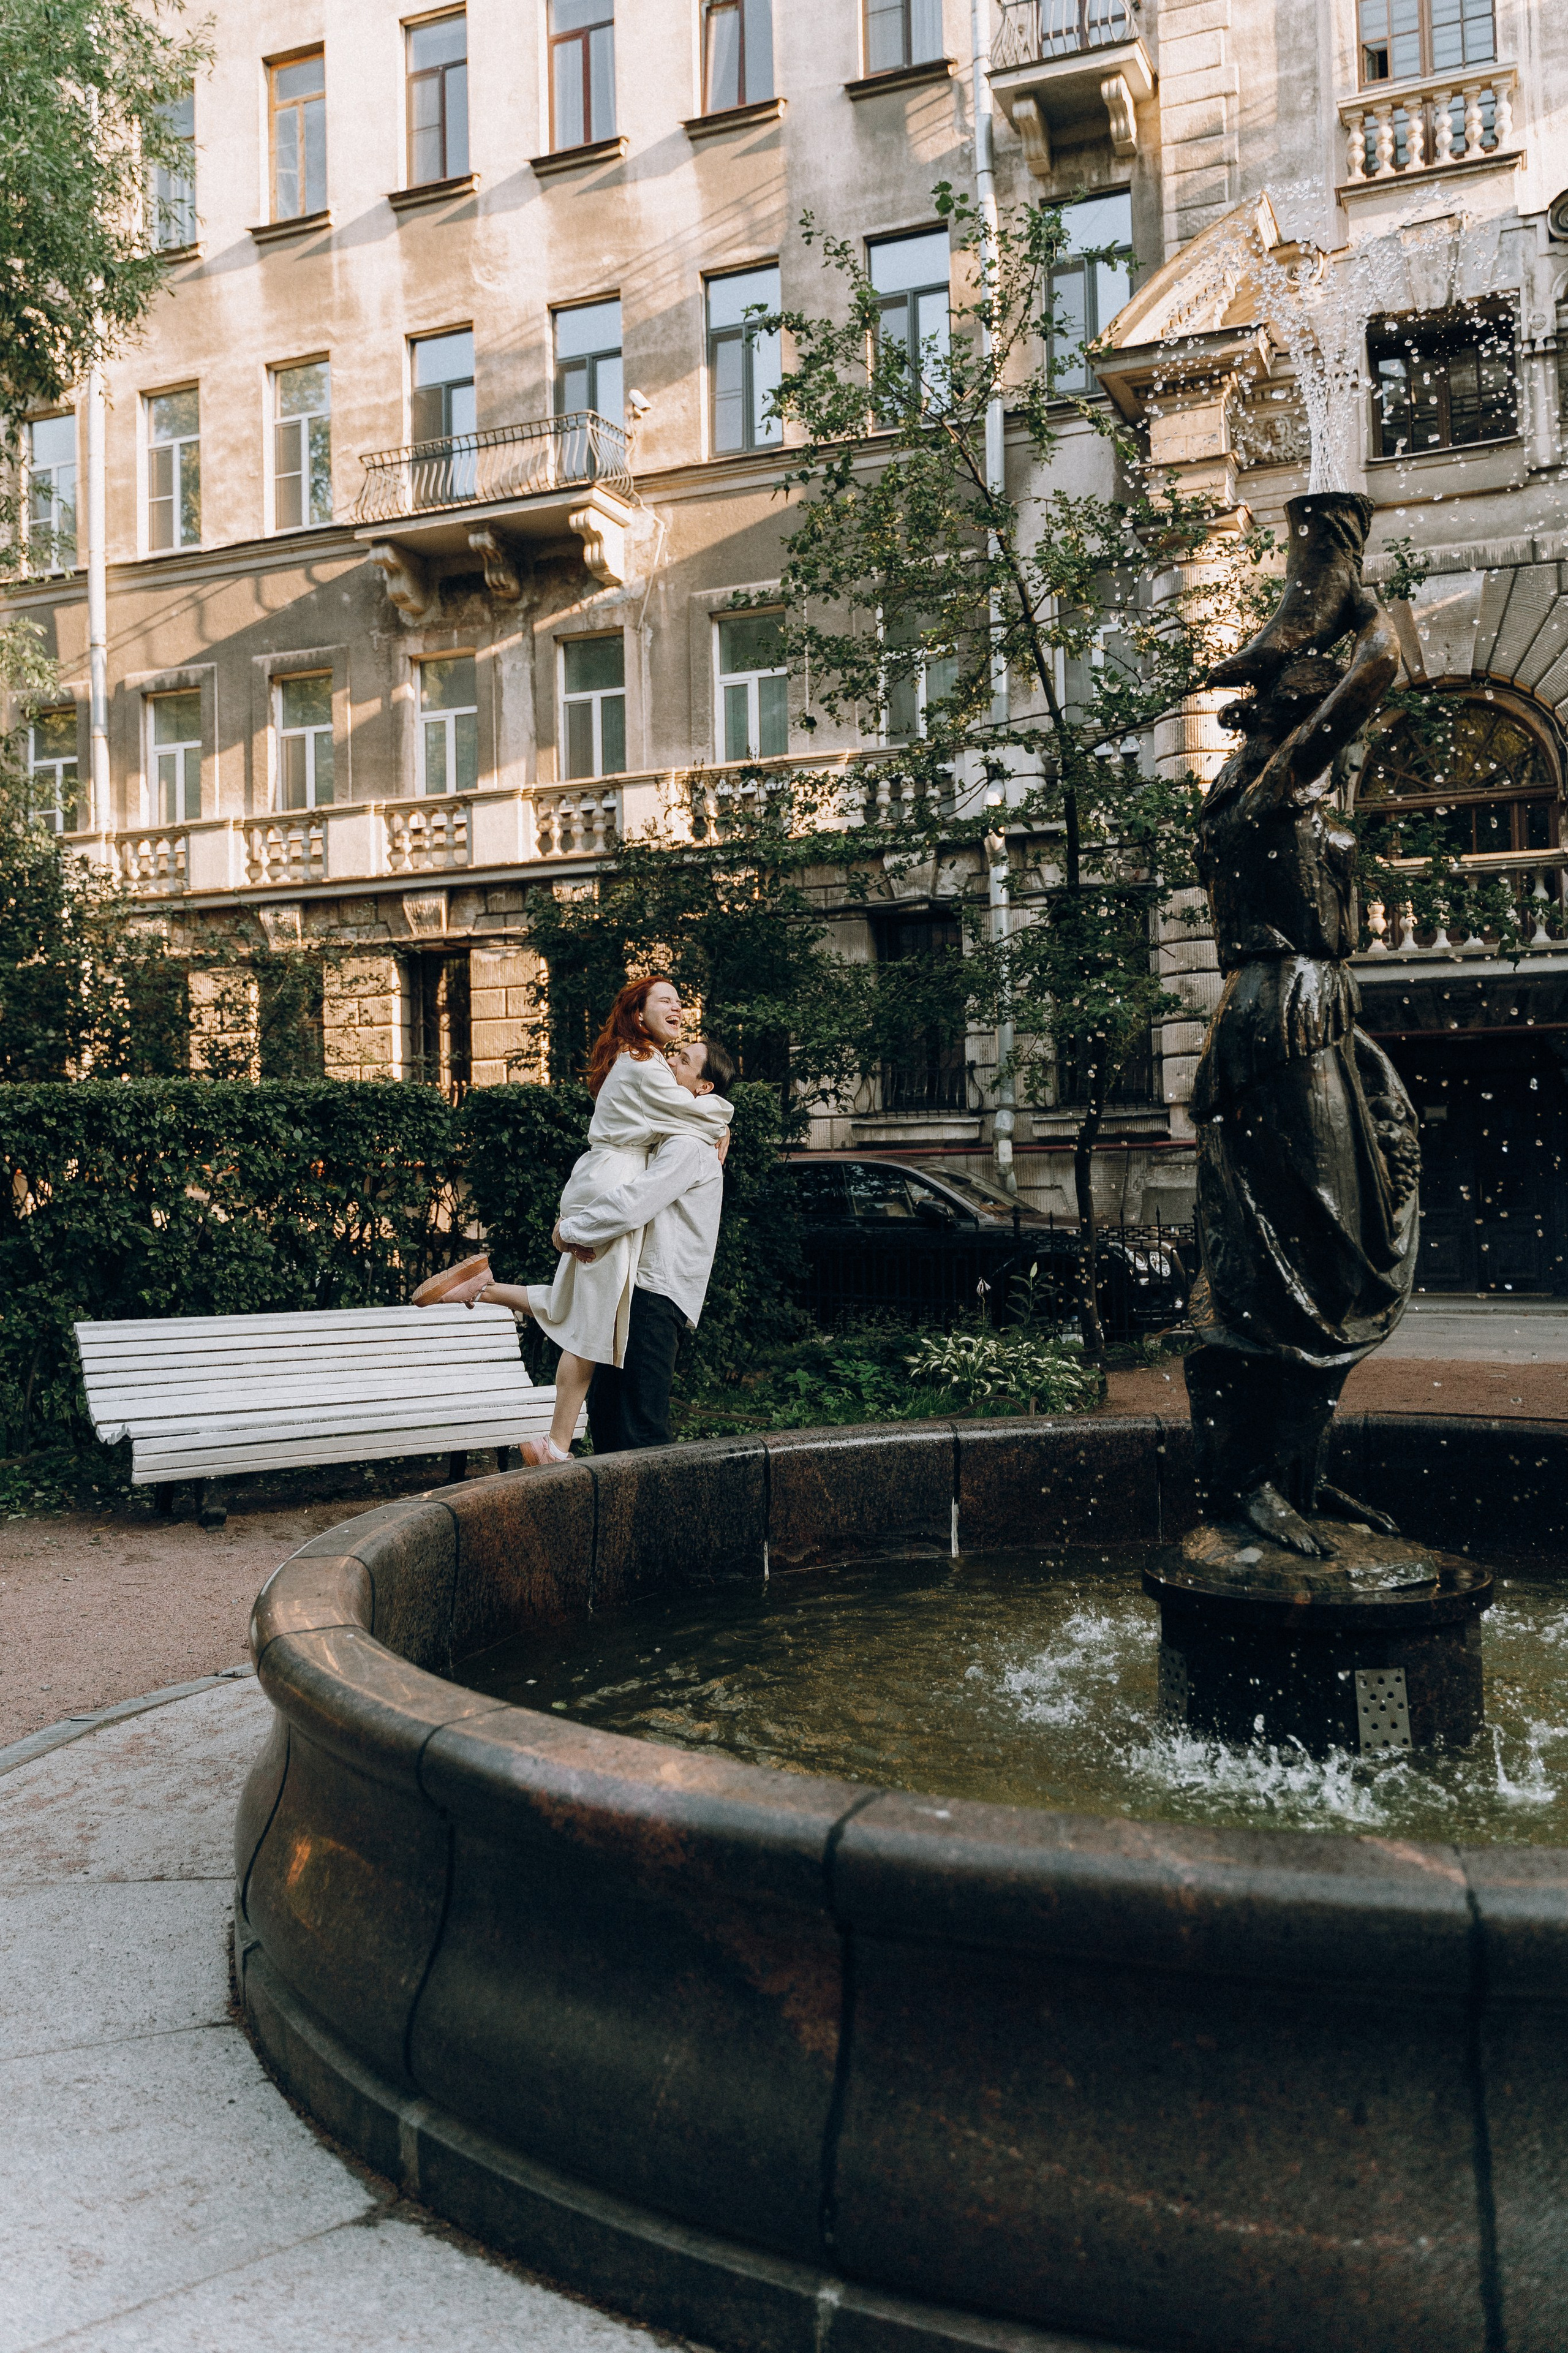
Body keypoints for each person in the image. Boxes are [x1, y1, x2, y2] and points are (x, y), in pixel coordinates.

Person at [412, 976, 731, 1462]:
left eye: (680, 1001)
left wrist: (713, 1120)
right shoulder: (645, 1064)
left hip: (604, 1179)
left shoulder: (641, 1063)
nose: (678, 1009)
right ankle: (557, 1445)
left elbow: (685, 1115)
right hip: (616, 1184)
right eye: (664, 1000)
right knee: (592, 1322)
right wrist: (721, 1121)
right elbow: (694, 1118)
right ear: (639, 1013)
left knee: (574, 1302)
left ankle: (481, 1286)